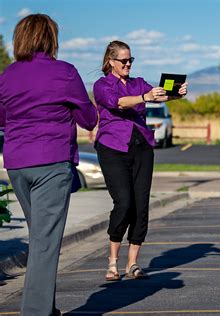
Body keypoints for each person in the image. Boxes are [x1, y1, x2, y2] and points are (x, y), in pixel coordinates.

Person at [0, 14, 98, 315]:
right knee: (45, 245)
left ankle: (46, 308)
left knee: (42, 239)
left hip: (17, 165)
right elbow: (88, 118)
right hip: (51, 162)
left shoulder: (7, 75)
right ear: (51, 39)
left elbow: (2, 119)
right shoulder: (64, 73)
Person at [93, 40, 187, 281]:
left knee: (141, 206)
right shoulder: (102, 85)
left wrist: (175, 94)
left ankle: (132, 263)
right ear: (110, 62)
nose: (127, 64)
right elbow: (119, 103)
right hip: (112, 147)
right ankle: (112, 261)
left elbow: (158, 96)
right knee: (123, 202)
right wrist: (144, 96)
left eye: (130, 60)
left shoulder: (138, 82)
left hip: (142, 148)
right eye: (123, 61)